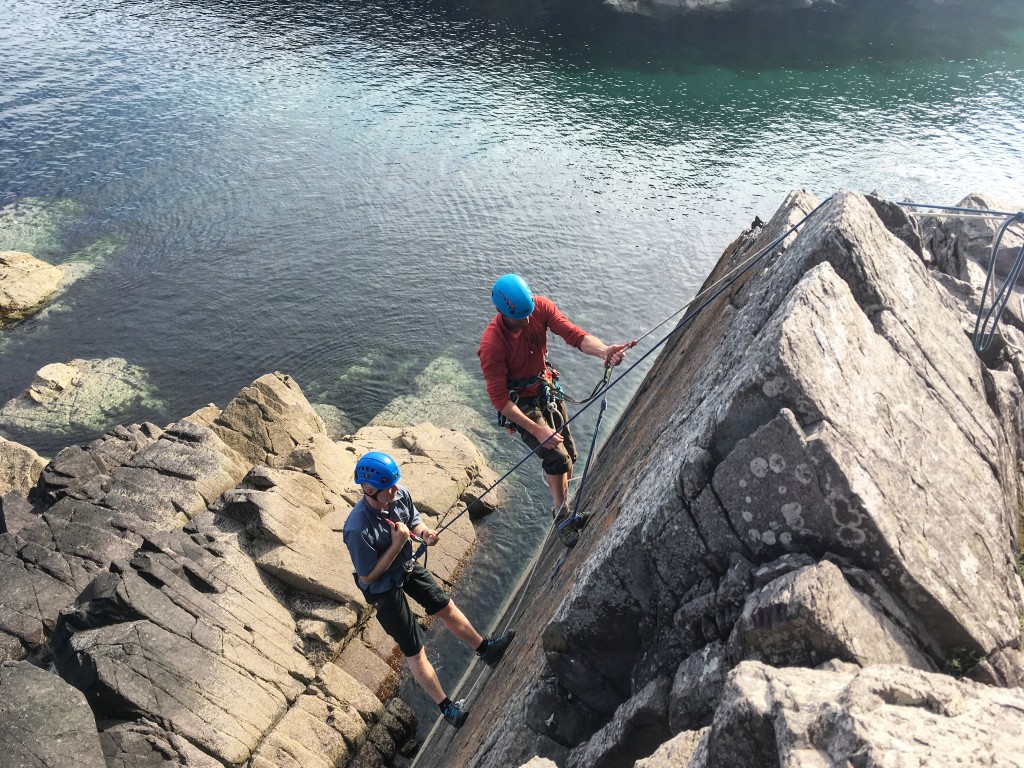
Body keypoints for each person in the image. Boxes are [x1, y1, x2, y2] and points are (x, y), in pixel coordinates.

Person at [343, 451, 515, 730]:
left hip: (405, 566)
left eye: (396, 483)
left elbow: (413, 520)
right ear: (369, 490)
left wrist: (424, 533)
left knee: (444, 606)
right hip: (382, 588)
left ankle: (485, 650)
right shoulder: (357, 528)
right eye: (389, 487)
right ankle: (447, 708)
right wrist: (397, 545)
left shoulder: (398, 494)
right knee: (414, 649)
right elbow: (368, 576)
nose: (396, 490)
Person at [478, 273, 629, 546]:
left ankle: (559, 497)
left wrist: (604, 351)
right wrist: (537, 430)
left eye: (528, 314)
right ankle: (561, 516)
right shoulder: (492, 345)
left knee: (569, 458)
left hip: (545, 388)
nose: (526, 321)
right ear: (502, 312)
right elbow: (500, 400)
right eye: (519, 318)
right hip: (521, 403)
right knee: (557, 457)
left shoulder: (540, 307)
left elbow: (574, 335)